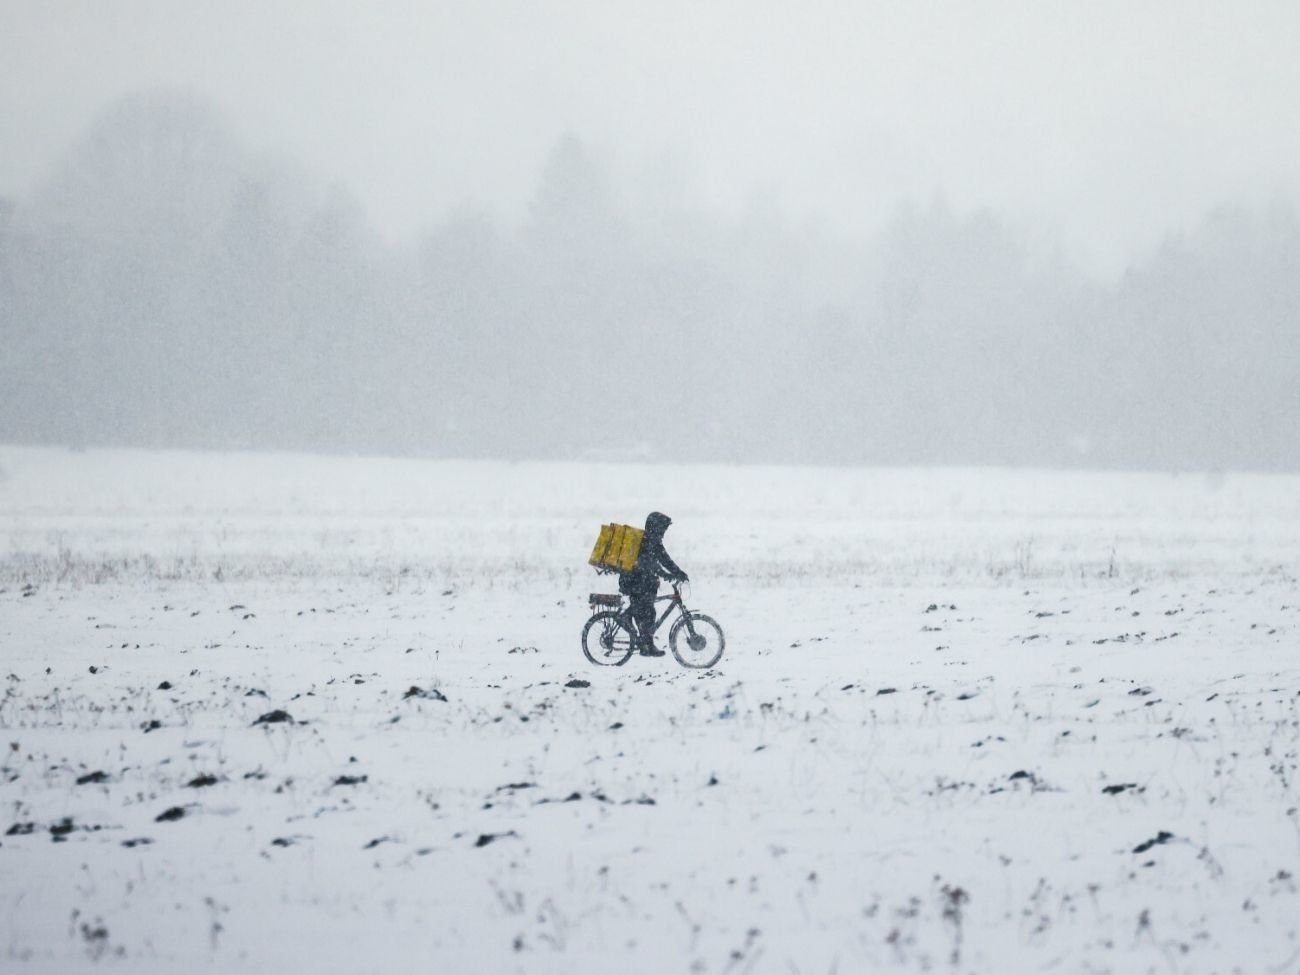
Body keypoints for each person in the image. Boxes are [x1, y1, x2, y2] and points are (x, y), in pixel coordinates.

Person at [618, 511, 688, 656]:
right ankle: (626, 618)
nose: (663, 532)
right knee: (646, 612)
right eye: (663, 528)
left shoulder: (653, 541)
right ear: (655, 527)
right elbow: (648, 563)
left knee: (647, 613)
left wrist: (678, 572)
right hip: (633, 582)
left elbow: (664, 558)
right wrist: (665, 574)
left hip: (642, 582)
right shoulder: (643, 541)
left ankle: (646, 646)